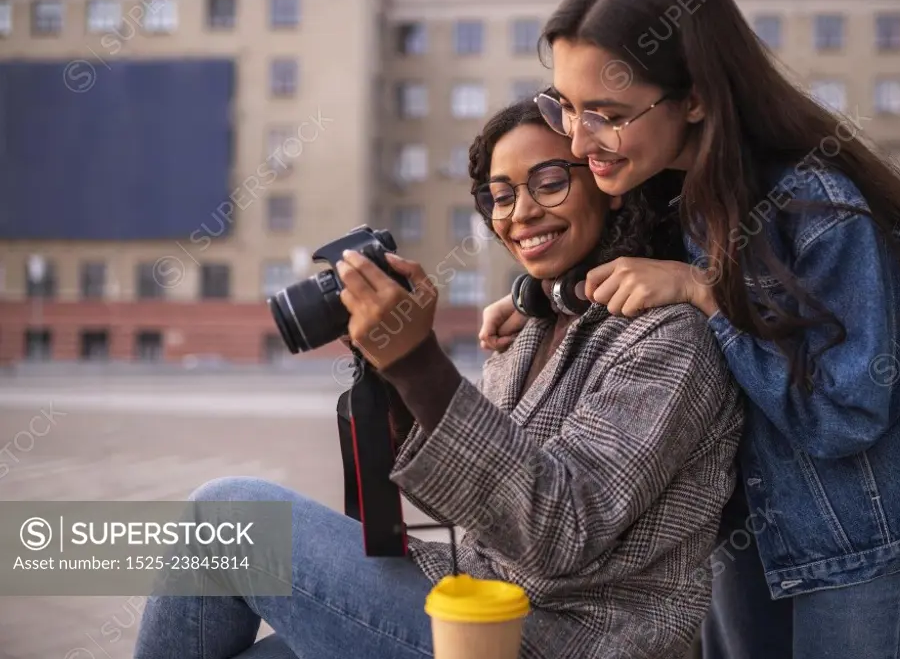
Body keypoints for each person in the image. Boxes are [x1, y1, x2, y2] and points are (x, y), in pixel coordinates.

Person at [132, 99, 744, 659]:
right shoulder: (528, 328)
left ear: (607, 185)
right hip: (472, 601)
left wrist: (417, 363)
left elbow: (557, 532)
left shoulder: (666, 338)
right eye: (499, 196)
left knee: (228, 515)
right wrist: (388, 373)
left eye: (549, 181)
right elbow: (477, 500)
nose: (520, 212)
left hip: (566, 638)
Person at [476, 0, 900, 658]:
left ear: (697, 98)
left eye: (606, 113)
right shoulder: (665, 189)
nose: (578, 140)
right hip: (746, 537)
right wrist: (537, 297)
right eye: (564, 106)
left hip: (861, 544)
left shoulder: (821, 216)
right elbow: (611, 257)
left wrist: (705, 292)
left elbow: (845, 415)